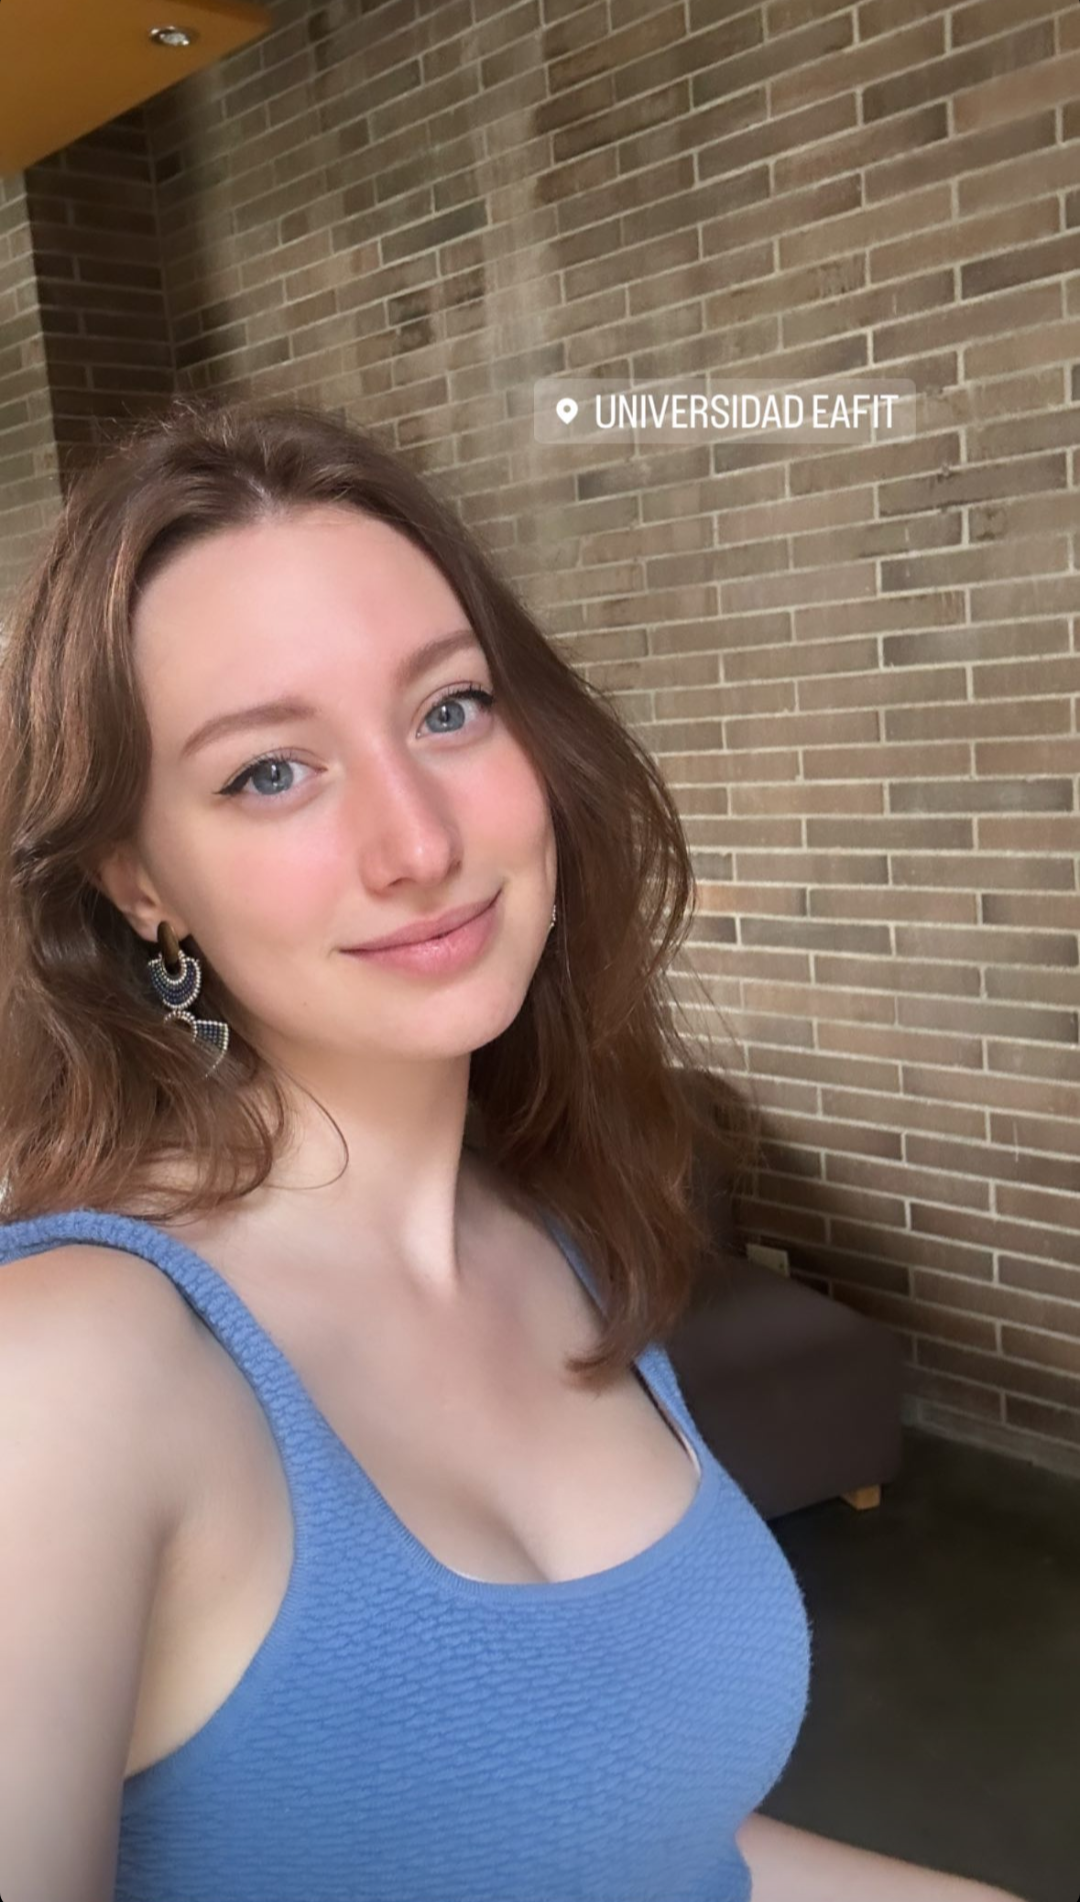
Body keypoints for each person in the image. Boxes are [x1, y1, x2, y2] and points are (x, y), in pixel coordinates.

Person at [0, 400, 1023, 1902]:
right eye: (270, 771)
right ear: (138, 878)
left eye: (449, 709)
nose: (419, 842)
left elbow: (645, 1837)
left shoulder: (563, 1231)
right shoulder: (65, 1370)